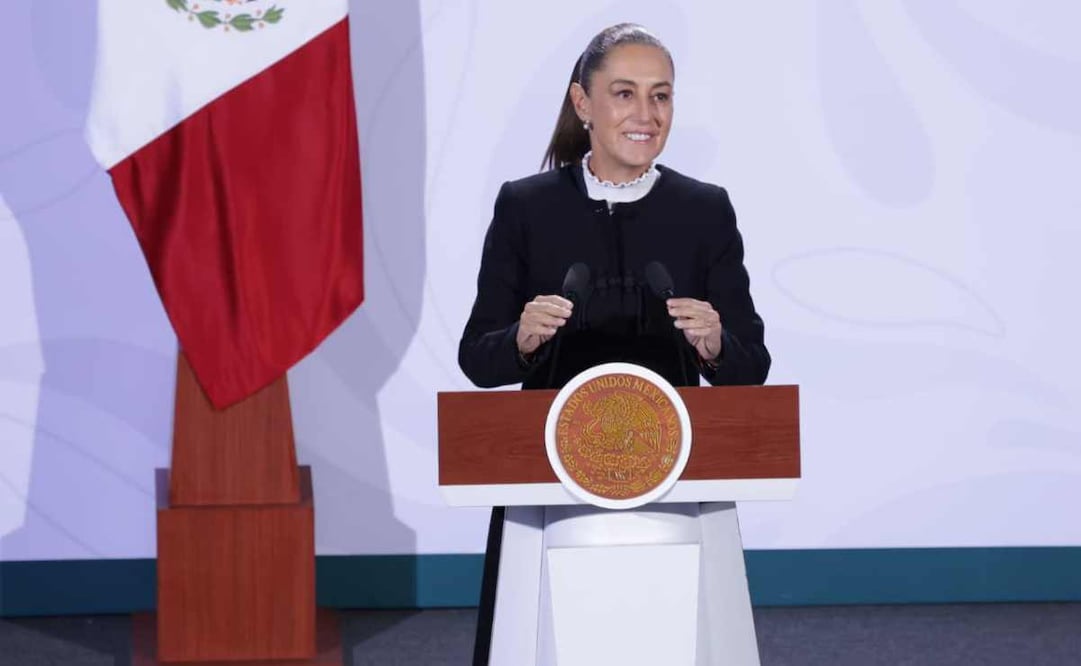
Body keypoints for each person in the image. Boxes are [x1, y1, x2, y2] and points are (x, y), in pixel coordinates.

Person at [456, 23, 770, 665]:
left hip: (678, 487)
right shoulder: (526, 206)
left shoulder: (704, 209)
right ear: (582, 104)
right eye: (624, 93)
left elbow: (751, 368)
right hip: (549, 489)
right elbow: (477, 358)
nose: (647, 115)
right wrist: (519, 338)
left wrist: (715, 344)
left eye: (661, 96)